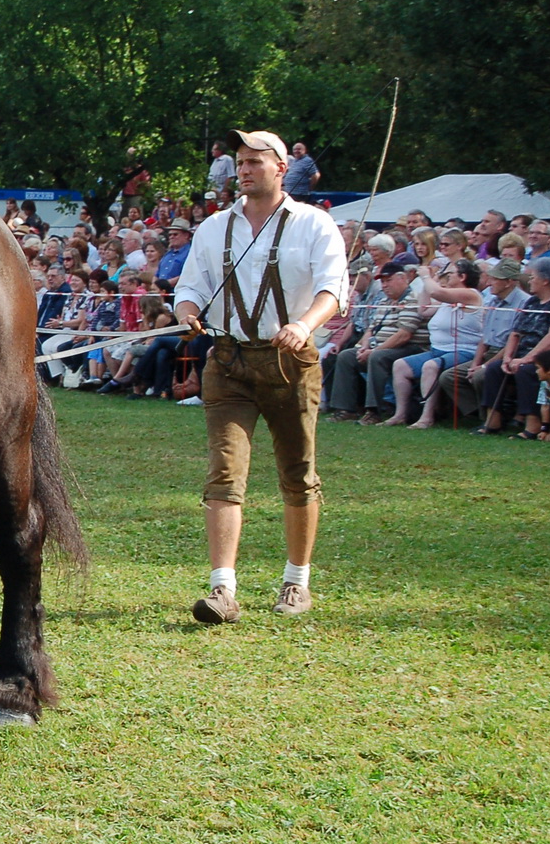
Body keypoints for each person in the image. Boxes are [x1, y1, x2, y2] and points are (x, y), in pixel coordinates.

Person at [172, 128, 349, 623]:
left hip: (291, 364)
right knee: (224, 473)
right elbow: (190, 287)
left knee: (298, 474)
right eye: (239, 162)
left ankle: (296, 582)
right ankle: (222, 590)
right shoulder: (212, 229)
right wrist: (188, 313)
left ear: (280, 167)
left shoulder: (315, 225)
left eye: (253, 161)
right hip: (227, 363)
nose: (243, 170)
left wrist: (303, 325)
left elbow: (333, 289)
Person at [473, 256, 550, 435]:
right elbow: (515, 333)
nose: (529, 281)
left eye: (533, 277)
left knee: (529, 369)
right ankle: (493, 420)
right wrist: (508, 358)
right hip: (526, 354)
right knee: (495, 368)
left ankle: (533, 423)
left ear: (546, 280)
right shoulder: (533, 302)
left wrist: (526, 358)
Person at [427, 256, 532, 425]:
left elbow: (515, 341)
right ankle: (479, 414)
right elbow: (484, 336)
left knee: (481, 375)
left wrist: (484, 366)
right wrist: (476, 362)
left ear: (510, 282)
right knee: (449, 377)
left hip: (509, 354)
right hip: (488, 352)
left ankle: (492, 419)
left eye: (495, 279)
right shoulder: (493, 301)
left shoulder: (524, 303)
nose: (489, 282)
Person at [384, 260, 484, 425]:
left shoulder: (471, 294)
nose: (446, 276)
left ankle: (427, 417)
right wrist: (428, 282)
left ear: (462, 277)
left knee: (430, 366)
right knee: (400, 365)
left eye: (450, 273)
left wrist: (425, 277)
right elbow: (423, 310)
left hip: (464, 351)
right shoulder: (448, 298)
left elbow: (436, 293)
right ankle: (400, 414)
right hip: (438, 350)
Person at [325, 262, 427, 424]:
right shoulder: (383, 302)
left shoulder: (412, 300)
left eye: (389, 280)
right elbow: (371, 329)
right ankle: (346, 409)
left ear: (403, 279)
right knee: (346, 356)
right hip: (380, 347)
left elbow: (404, 334)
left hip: (410, 348)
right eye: (383, 281)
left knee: (377, 358)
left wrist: (374, 350)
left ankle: (373, 411)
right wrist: (363, 346)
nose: (385, 285)